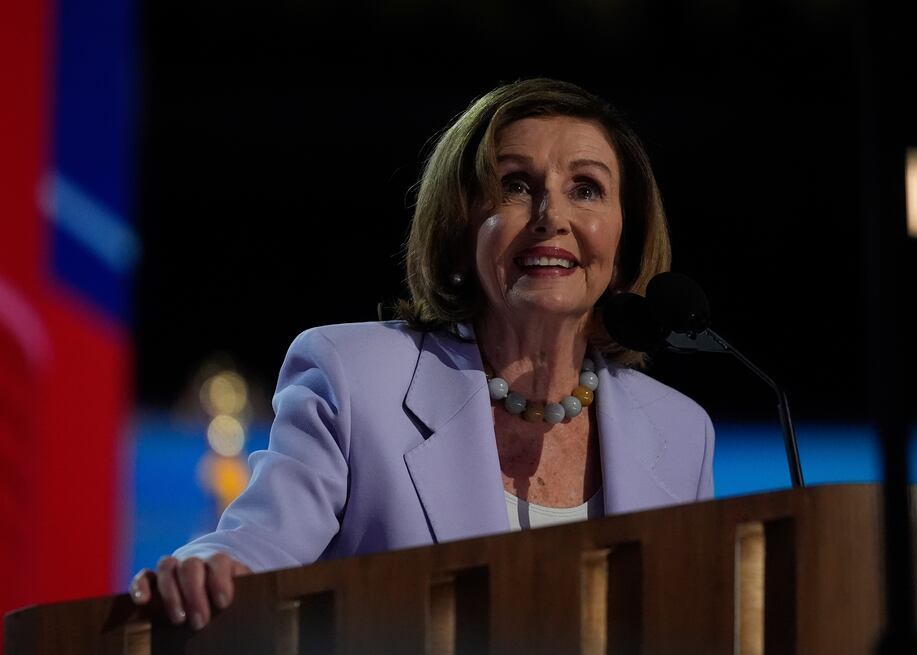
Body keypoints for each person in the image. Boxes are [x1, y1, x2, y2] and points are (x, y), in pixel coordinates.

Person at [130, 78, 715, 630]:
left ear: (624, 236)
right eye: (515, 185)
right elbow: (257, 545)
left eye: (585, 189)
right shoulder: (354, 377)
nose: (551, 218)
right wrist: (209, 566)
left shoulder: (681, 434)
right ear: (461, 226)